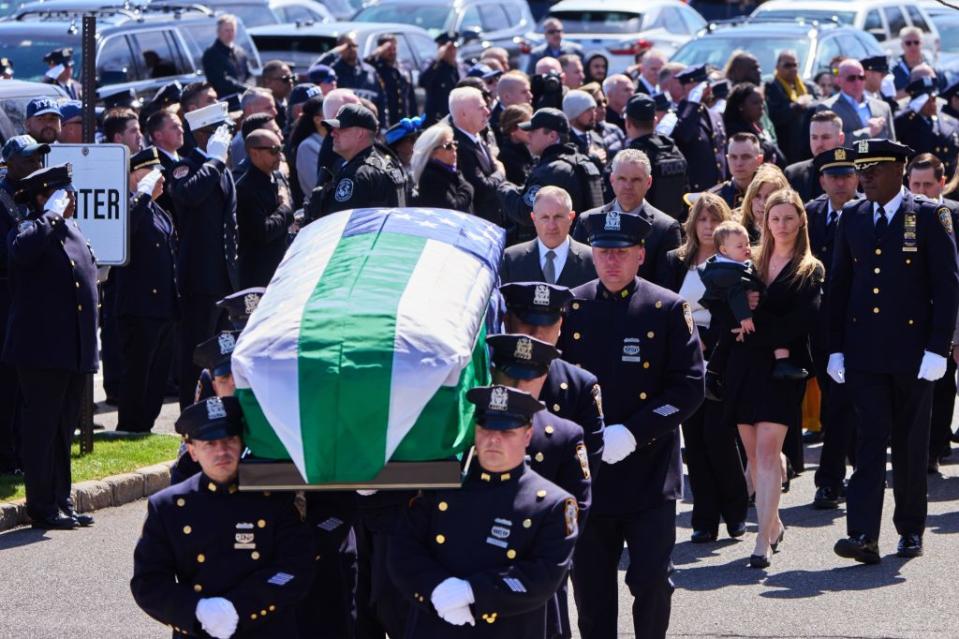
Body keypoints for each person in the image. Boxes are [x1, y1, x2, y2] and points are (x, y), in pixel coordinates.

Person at [558, 212, 703, 639]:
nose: (612, 262)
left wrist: (636, 431)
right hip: (589, 474)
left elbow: (689, 386)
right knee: (590, 587)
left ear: (640, 254)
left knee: (652, 580)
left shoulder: (667, 308)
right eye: (603, 253)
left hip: (649, 472)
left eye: (621, 253)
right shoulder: (572, 306)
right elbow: (555, 383)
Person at [828, 139, 959, 563]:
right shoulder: (853, 216)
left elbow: (947, 285)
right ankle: (863, 533)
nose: (862, 177)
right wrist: (834, 348)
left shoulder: (926, 214)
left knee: (909, 443)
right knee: (869, 440)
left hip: (913, 353)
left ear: (899, 169)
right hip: (864, 351)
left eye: (873, 169)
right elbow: (839, 287)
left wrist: (939, 347)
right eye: (859, 169)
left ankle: (910, 529)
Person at [387, 384, 579, 637]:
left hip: (508, 628)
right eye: (486, 428)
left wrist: (474, 593)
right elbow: (403, 551)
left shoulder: (551, 504)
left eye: (507, 432)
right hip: (437, 621)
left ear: (528, 435)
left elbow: (544, 576)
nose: (493, 439)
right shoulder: (442, 488)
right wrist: (434, 588)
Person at [131, 396, 315, 638]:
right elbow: (149, 582)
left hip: (265, 628)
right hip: (200, 630)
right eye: (210, 444)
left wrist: (239, 608)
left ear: (242, 443)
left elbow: (295, 567)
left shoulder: (273, 499)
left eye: (229, 440)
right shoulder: (169, 506)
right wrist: (197, 610)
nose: (222, 451)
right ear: (193, 451)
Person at [722, 189, 824, 568]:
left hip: (784, 369)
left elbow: (802, 321)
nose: (781, 225)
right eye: (774, 218)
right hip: (744, 365)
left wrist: (754, 323)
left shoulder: (810, 268)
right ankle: (773, 522)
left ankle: (761, 541)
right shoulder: (747, 261)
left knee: (767, 454)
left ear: (801, 222)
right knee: (752, 457)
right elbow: (721, 302)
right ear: (765, 222)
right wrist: (737, 318)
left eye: (788, 218)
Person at [4, 164, 98, 530]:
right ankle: (41, 506)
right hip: (41, 350)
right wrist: (49, 215)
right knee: (41, 430)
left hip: (71, 349)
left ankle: (62, 501)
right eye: (63, 194)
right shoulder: (29, 228)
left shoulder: (70, 228)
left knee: (63, 430)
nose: (71, 200)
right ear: (44, 196)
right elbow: (22, 252)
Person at [656, 193, 748, 542]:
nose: (708, 227)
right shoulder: (674, 261)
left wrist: (709, 336)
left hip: (723, 357)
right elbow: (664, 307)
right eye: (702, 220)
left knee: (720, 438)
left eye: (714, 219)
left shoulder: (734, 262)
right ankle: (704, 519)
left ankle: (736, 511)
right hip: (686, 358)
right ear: (692, 223)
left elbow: (737, 310)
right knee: (694, 442)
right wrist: (689, 340)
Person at [486, 332, 590, 639]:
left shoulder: (561, 434)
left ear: (543, 377)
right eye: (508, 376)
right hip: (477, 570)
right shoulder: (470, 428)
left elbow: (577, 506)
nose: (518, 386)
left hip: (534, 575)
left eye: (528, 378)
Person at [169, 101, 240, 409]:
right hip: (199, 277)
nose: (224, 139)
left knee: (221, 351)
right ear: (201, 134)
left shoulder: (220, 166)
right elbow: (188, 194)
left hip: (223, 277)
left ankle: (216, 407)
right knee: (197, 352)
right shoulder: (186, 167)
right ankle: (192, 411)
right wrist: (213, 160)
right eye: (217, 132)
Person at [499, 282, 605, 479]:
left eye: (547, 323)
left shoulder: (580, 386)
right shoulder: (487, 374)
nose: (537, 333)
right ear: (507, 321)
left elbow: (585, 467)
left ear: (560, 326)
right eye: (527, 321)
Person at [806, 146, 861, 509]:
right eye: (833, 176)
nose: (840, 183)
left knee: (841, 401)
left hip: (856, 322)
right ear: (822, 179)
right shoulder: (809, 213)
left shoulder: (866, 211)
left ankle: (830, 478)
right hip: (815, 321)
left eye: (846, 175)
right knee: (831, 400)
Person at [115, 149, 177, 433]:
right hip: (139, 305)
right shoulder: (131, 205)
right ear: (135, 176)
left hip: (163, 305)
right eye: (152, 174)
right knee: (138, 371)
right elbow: (124, 229)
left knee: (158, 373)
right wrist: (140, 194)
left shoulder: (158, 210)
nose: (160, 179)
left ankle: (146, 425)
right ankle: (130, 424)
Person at [906, 154, 959, 472]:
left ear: (942, 183)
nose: (922, 190)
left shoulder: (953, 215)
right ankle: (913, 446)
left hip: (947, 315)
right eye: (915, 184)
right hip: (909, 316)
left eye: (928, 184)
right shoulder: (902, 213)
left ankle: (934, 450)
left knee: (942, 385)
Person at [0, 136, 48, 476]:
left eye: (38, 159)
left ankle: (19, 451)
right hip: (6, 300)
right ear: (10, 163)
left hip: (31, 300)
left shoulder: (37, 196)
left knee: (27, 384)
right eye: (29, 160)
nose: (36, 165)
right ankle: (5, 455)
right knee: (6, 383)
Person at [573, 149, 681, 284]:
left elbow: (667, 286)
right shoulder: (588, 221)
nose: (628, 186)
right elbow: (577, 275)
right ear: (612, 180)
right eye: (622, 179)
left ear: (648, 182)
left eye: (636, 180)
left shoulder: (665, 228)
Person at [499, 108, 604, 243]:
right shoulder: (582, 162)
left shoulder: (551, 171)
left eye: (533, 131)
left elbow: (525, 212)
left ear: (552, 136)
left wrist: (503, 187)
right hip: (586, 249)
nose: (528, 135)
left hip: (561, 253)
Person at [309, 103, 408, 218]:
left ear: (360, 134)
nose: (332, 133)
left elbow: (340, 223)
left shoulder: (356, 174)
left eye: (341, 128)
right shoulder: (388, 163)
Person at [500, 186, 595, 287]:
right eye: (545, 217)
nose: (552, 226)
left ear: (571, 217)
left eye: (558, 217)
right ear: (534, 218)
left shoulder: (593, 261)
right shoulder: (510, 260)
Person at [236, 129, 293, 288]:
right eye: (274, 151)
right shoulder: (246, 189)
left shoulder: (275, 177)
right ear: (254, 153)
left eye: (280, 149)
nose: (280, 156)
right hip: (260, 275)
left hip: (280, 266)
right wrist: (285, 208)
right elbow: (263, 233)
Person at [619, 94, 688, 219]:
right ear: (655, 121)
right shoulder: (673, 149)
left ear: (628, 123)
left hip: (642, 229)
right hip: (674, 226)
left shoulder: (630, 157)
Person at [671, 65, 726, 193]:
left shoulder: (713, 115)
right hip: (694, 194)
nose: (707, 89)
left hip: (718, 192)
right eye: (699, 85)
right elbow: (682, 136)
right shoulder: (678, 115)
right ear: (686, 87)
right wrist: (693, 102)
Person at [816, 59, 895, 144]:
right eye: (851, 78)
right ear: (839, 80)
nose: (857, 82)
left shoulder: (883, 107)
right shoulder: (827, 108)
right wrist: (868, 132)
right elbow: (830, 144)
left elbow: (893, 143)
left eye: (861, 77)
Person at [894, 77, 959, 180]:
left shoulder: (949, 121)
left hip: (947, 181)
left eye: (934, 99)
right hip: (920, 182)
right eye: (928, 100)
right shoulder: (905, 122)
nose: (933, 104)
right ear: (919, 103)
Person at [765, 50, 817, 164]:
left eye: (795, 65)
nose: (792, 69)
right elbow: (774, 116)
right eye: (787, 65)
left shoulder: (807, 87)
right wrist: (797, 106)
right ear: (777, 67)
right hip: (787, 146)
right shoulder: (771, 87)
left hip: (807, 144)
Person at [410, 123, 473, 213]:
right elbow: (453, 209)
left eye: (454, 143)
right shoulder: (431, 177)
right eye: (448, 146)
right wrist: (468, 189)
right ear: (432, 153)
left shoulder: (451, 171)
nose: (454, 148)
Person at [785, 110, 845, 202]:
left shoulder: (856, 173)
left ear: (841, 138)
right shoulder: (794, 175)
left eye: (825, 137)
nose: (819, 144)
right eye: (814, 137)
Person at [723, 83, 786, 168]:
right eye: (755, 103)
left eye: (762, 102)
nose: (761, 107)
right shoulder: (735, 131)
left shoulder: (753, 124)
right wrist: (770, 147)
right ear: (741, 106)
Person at [202, 15, 252, 105]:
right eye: (227, 30)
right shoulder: (211, 54)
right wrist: (245, 89)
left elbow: (249, 74)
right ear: (218, 32)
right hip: (226, 102)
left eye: (232, 30)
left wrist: (250, 88)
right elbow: (221, 80)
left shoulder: (240, 52)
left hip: (245, 98)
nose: (230, 33)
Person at [709, 132, 764, 210]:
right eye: (733, 157)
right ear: (727, 159)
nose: (739, 163)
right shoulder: (714, 198)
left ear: (759, 160)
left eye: (745, 157)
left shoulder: (771, 194)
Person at [739, 164, 790, 243]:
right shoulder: (735, 228)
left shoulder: (792, 230)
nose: (762, 203)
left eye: (769, 197)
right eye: (757, 196)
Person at [288, 94, 325, 205]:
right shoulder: (307, 147)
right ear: (318, 120)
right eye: (330, 112)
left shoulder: (334, 141)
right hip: (322, 214)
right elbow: (316, 187)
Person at [229, 88, 279, 166]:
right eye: (268, 108)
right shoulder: (241, 143)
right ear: (249, 110)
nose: (275, 112)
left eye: (274, 107)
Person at [421, 32, 461, 125]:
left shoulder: (453, 67)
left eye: (454, 49)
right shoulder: (435, 65)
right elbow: (423, 81)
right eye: (449, 49)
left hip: (451, 115)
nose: (453, 52)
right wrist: (437, 59)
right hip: (436, 118)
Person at [563, 90, 606, 167]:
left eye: (593, 109)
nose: (593, 114)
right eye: (588, 110)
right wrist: (591, 158)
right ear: (574, 115)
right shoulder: (564, 142)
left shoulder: (597, 139)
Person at [497, 104, 535, 186]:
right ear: (512, 129)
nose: (532, 130)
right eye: (527, 126)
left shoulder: (529, 148)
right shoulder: (507, 156)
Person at [893, 27, 936, 96]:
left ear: (921, 44)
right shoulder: (894, 70)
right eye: (908, 43)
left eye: (916, 42)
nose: (913, 46)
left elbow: (940, 91)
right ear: (902, 45)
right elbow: (890, 98)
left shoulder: (930, 67)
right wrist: (914, 89)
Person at [491, 71, 533, 138]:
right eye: (524, 92)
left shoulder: (531, 112)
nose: (530, 96)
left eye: (529, 91)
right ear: (507, 97)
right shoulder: (495, 125)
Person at [259, 60, 294, 133]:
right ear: (267, 81)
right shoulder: (261, 107)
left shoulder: (292, 103)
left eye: (292, 78)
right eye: (285, 79)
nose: (290, 82)